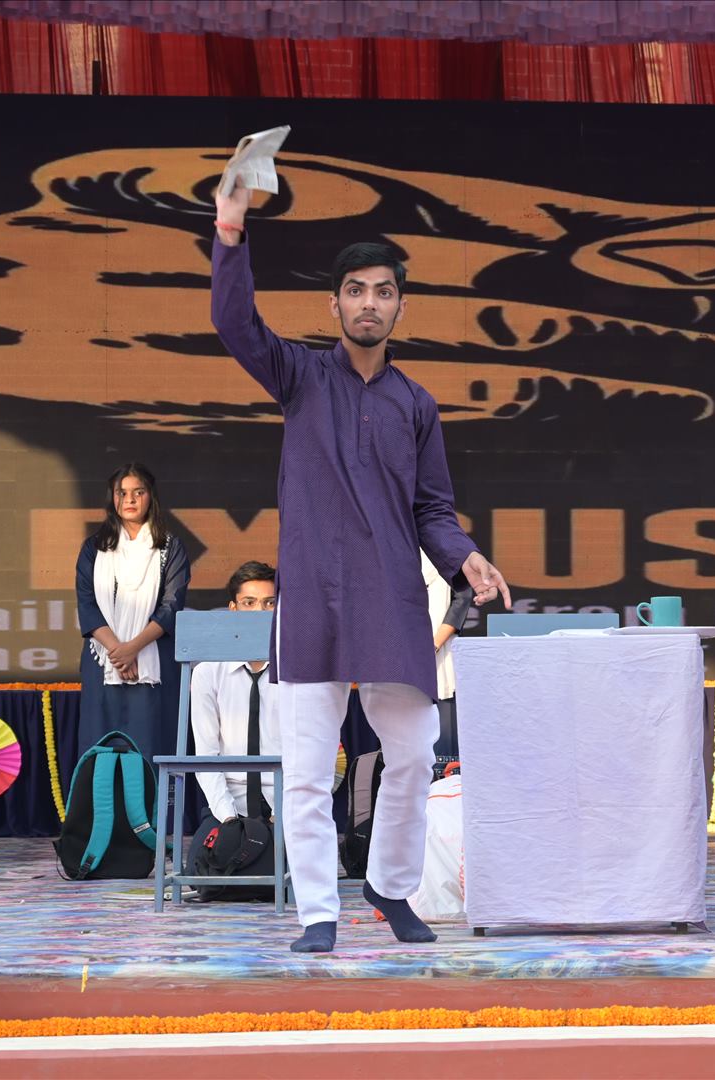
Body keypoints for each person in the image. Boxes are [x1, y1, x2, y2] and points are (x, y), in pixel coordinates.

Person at [211, 175, 511, 954]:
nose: (368, 303)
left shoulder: (416, 404)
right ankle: (318, 912)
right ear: (335, 305)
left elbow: (433, 511)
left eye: (382, 292)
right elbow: (234, 322)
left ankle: (390, 888)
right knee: (309, 768)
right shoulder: (300, 376)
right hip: (313, 600)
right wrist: (231, 228)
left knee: (411, 755)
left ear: (400, 306)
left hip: (390, 600)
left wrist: (468, 559)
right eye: (355, 291)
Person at [74, 463, 189, 764]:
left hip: (153, 662)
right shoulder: (93, 548)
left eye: (138, 492)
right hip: (103, 663)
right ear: (112, 498)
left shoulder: (171, 548)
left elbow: (171, 606)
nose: (130, 500)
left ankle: (155, 800)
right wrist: (118, 651)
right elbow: (87, 605)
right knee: (102, 751)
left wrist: (133, 648)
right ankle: (103, 800)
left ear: (151, 496)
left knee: (151, 748)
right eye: (122, 493)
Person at [190, 561, 280, 825]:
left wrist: (282, 815)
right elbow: (206, 754)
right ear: (233, 609)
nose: (259, 612)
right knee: (212, 851)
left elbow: (308, 755)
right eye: (249, 603)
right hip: (229, 805)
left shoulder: (296, 673)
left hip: (287, 803)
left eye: (270, 603)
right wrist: (228, 818)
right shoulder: (208, 672)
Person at [422, 550, 474, 758]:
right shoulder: (397, 554)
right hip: (404, 653)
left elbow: (462, 598)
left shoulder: (448, 555)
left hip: (441, 655)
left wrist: (433, 645)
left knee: (443, 735)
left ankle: (443, 773)